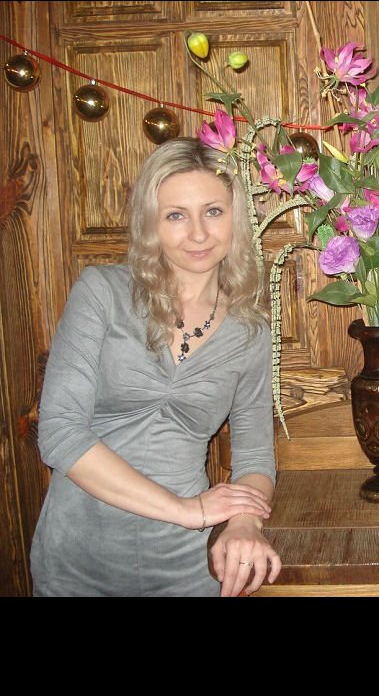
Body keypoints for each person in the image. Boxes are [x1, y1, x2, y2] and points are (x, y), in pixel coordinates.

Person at [31, 137, 281, 597]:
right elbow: (60, 432)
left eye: (213, 211)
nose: (199, 234)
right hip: (78, 557)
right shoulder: (102, 292)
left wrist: (245, 521)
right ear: (151, 224)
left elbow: (254, 456)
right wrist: (188, 510)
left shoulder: (251, 331)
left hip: (186, 565)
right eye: (176, 216)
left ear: (236, 219)